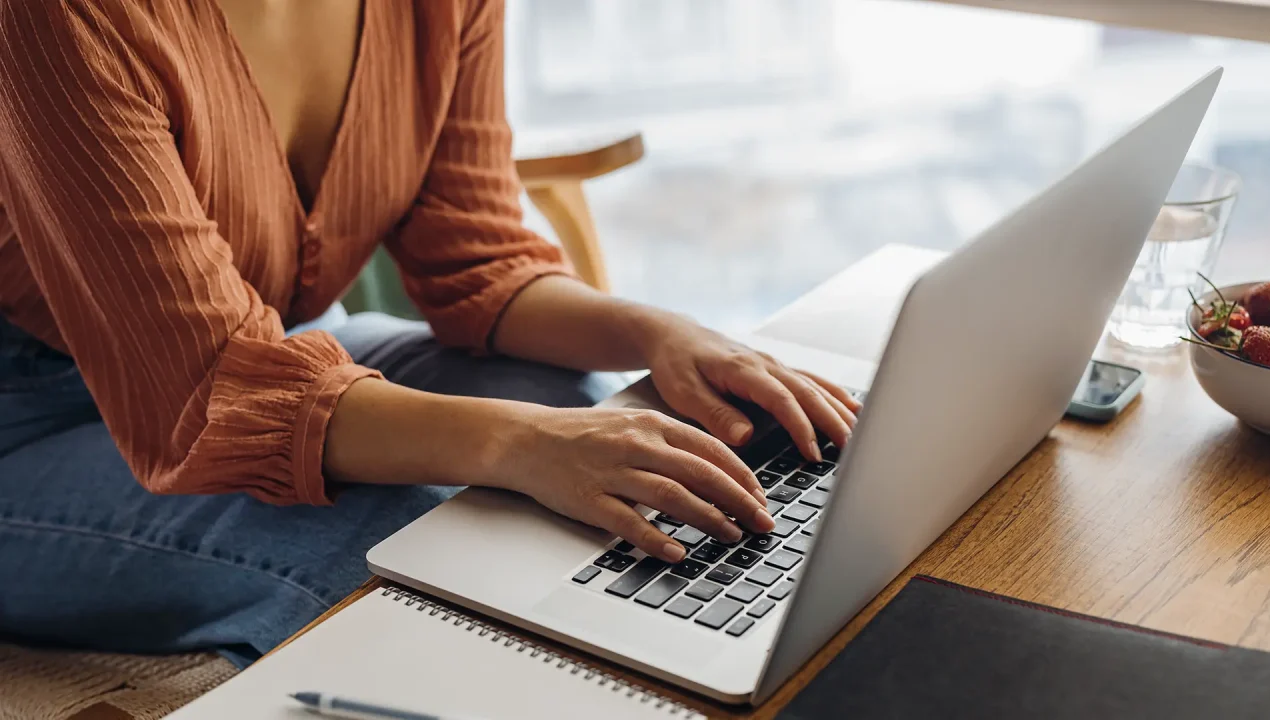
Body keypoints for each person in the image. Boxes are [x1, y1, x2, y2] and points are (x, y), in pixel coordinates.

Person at [0, 0, 859, 666]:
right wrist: (523, 447)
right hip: (36, 421)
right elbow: (209, 387)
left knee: (593, 421)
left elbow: (478, 262)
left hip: (285, 349)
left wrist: (662, 334)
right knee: (418, 552)